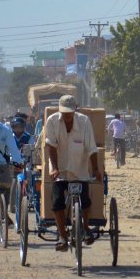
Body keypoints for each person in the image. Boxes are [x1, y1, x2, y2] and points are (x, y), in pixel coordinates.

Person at [45, 95, 102, 251]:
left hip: (79, 169)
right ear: (59, 110)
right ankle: (62, 235)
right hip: (60, 169)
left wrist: (96, 169)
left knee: (85, 200)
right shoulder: (52, 121)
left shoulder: (84, 121)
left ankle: (85, 227)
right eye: (64, 112)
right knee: (57, 202)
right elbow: (51, 146)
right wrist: (54, 167)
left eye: (70, 112)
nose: (67, 115)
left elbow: (91, 148)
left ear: (75, 108)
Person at [8, 117, 33, 214]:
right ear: (12, 127)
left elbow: (32, 149)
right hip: (11, 162)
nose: (18, 129)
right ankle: (6, 199)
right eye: (15, 127)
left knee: (30, 175)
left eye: (20, 127)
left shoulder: (28, 137)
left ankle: (30, 195)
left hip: (25, 162)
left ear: (23, 127)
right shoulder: (9, 136)